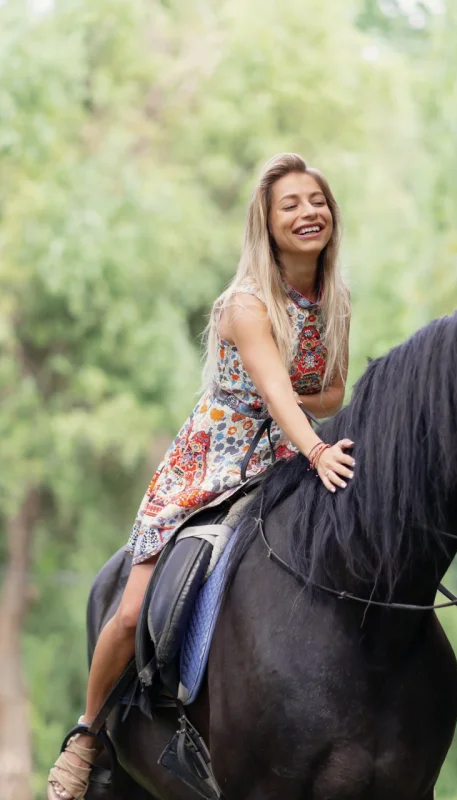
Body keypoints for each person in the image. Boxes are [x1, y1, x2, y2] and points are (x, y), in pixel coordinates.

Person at [48, 152, 354, 800]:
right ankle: (87, 733)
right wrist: (318, 449)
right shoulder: (246, 305)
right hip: (214, 458)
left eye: (316, 200)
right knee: (131, 612)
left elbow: (332, 390)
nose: (309, 213)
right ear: (266, 225)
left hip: (284, 450)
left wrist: (311, 423)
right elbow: (282, 392)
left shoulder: (333, 300)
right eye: (291, 205)